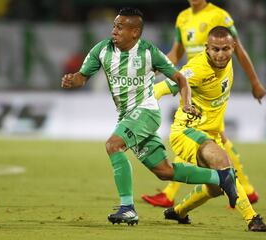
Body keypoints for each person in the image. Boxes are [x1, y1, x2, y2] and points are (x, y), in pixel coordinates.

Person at [61, 7, 238, 226]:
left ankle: (127, 208)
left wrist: (188, 103)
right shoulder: (102, 50)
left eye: (120, 27)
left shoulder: (149, 52)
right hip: (127, 116)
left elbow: (181, 79)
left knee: (113, 145)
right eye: (114, 26)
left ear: (135, 32)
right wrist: (73, 80)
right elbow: (82, 77)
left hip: (146, 111)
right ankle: (221, 177)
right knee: (163, 171)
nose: (114, 31)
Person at [142, 0, 265, 208]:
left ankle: (171, 193)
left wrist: (255, 81)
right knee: (212, 138)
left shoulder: (219, 15)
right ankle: (247, 190)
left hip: (212, 86)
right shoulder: (183, 18)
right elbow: (176, 53)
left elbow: (238, 49)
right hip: (190, 85)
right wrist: (156, 68)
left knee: (198, 135)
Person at [155, 26, 266, 231]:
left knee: (215, 188)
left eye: (225, 49)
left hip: (209, 135)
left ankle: (179, 211)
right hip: (186, 132)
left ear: (233, 47)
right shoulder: (197, 69)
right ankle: (253, 219)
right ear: (207, 47)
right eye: (215, 49)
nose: (220, 54)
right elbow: (161, 88)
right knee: (225, 165)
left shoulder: (227, 61)